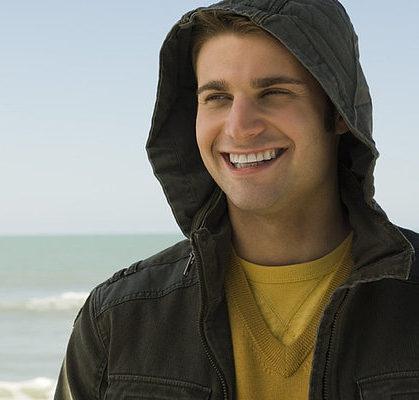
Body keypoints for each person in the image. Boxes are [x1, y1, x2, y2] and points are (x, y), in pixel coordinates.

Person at [55, 0, 419, 398]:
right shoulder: (117, 318)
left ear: (338, 112)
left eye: (274, 92)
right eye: (217, 98)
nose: (240, 127)